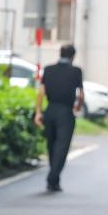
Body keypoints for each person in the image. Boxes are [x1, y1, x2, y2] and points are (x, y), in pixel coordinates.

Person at [34, 44, 84, 193]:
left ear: (59, 54)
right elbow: (81, 95)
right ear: (73, 56)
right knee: (62, 147)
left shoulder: (48, 69)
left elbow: (41, 93)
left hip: (50, 111)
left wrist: (38, 112)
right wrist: (77, 107)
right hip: (66, 112)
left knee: (51, 145)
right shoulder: (76, 71)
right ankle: (52, 178)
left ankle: (54, 181)